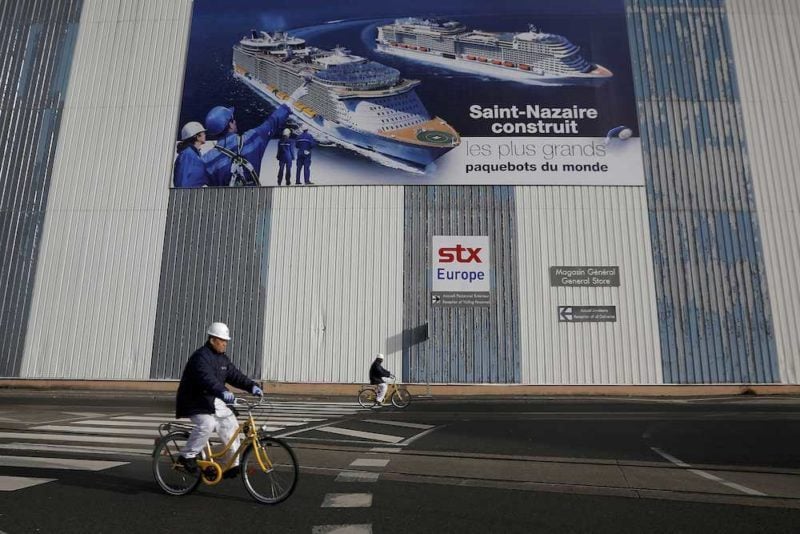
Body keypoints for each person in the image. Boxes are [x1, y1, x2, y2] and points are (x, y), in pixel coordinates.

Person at [175, 322, 264, 478]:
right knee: (207, 424)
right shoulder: (200, 357)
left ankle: (230, 465)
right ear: (212, 340)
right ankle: (187, 456)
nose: (225, 343)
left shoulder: (222, 359)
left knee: (231, 424)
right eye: (222, 340)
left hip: (213, 400)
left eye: (226, 341)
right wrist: (222, 391)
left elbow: (236, 376)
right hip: (196, 400)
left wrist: (252, 387)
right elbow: (207, 379)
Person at [203, 84, 308, 187]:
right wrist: (293, 98)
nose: (235, 121)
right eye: (232, 119)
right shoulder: (252, 139)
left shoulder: (207, 162)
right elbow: (273, 121)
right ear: (230, 124)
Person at [173, 121, 212, 187]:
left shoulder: (194, 153)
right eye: (203, 133)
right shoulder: (187, 155)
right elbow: (181, 182)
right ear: (197, 136)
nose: (205, 135)